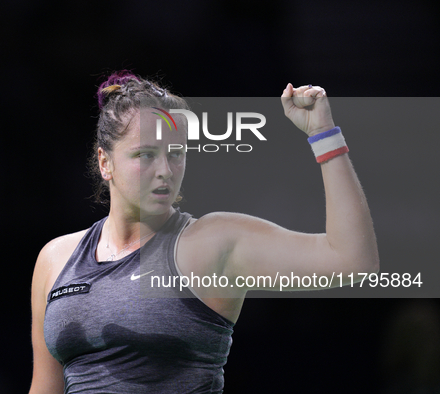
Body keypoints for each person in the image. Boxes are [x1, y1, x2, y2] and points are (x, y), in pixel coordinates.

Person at [28, 71, 379, 393]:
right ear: (105, 162)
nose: (165, 170)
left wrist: (324, 133)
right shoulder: (55, 259)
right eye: (146, 154)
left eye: (176, 153)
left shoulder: (214, 242)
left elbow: (352, 260)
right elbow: (45, 388)